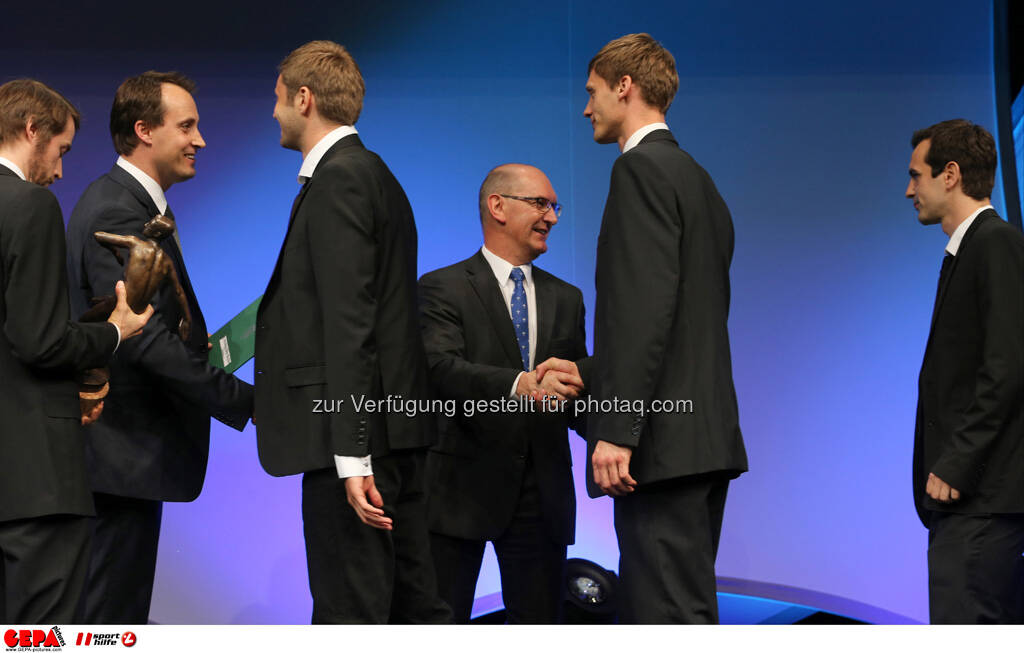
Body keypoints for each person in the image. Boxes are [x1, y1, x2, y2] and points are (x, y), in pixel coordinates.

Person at [254, 40, 451, 624]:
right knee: (411, 609)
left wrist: (351, 453)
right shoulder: (371, 174)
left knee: (351, 612)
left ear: (305, 98)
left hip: (359, 444)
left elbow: (350, 322)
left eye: (278, 98)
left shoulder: (341, 179)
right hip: (392, 436)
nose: (273, 111)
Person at [571, 33, 748, 623]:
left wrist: (617, 428)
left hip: (660, 446)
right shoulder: (700, 182)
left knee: (664, 617)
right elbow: (681, 319)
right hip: (701, 439)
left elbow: (643, 311)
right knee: (683, 610)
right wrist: (591, 375)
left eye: (593, 91)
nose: (587, 107)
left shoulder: (639, 172)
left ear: (626, 87)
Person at [66, 71, 254, 624]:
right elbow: (141, 339)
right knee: (106, 623)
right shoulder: (116, 211)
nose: (199, 140)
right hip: (120, 459)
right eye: (188, 126)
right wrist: (244, 401)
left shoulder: (131, 206)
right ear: (143, 130)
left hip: (128, 463)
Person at [0, 78, 151, 623]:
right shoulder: (31, 206)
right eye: (61, 150)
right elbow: (38, 340)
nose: (60, 171)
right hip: (37, 483)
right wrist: (115, 330)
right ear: (31, 129)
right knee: (42, 639)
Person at [418, 163, 589, 623]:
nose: (551, 217)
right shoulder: (441, 288)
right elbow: (440, 369)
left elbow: (574, 392)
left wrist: (614, 431)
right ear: (498, 206)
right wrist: (519, 384)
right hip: (459, 491)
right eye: (540, 204)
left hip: (542, 494)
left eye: (555, 207)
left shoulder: (567, 297)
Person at [905, 119, 1024, 623]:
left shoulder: (995, 244)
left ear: (950, 174)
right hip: (967, 505)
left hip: (981, 500)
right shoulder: (970, 249)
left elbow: (1008, 365)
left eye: (917, 175)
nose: (909, 189)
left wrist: (957, 463)